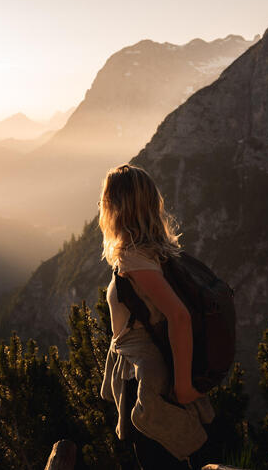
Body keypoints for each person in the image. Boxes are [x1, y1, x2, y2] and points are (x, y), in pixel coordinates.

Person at [98, 164, 214, 469]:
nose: (101, 205)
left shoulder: (133, 259)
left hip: (148, 379)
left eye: (106, 199)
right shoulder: (156, 251)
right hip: (153, 371)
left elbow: (179, 316)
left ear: (118, 207)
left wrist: (184, 386)